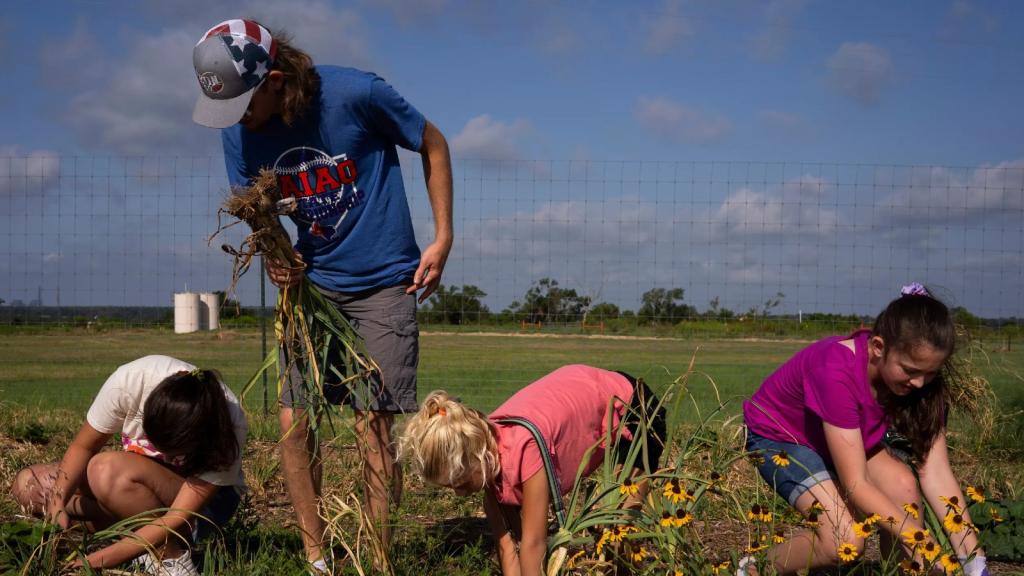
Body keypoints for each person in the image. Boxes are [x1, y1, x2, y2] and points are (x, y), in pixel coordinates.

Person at [191, 18, 453, 573]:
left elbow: (433, 141)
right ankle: (317, 557)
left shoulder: (356, 94)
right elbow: (259, 213)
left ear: (276, 80)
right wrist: (278, 258)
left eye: (243, 104)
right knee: (294, 419)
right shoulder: (237, 132)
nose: (236, 120)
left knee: (372, 424)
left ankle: (376, 558)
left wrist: (443, 237)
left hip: (384, 282)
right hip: (312, 292)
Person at [741, 284, 988, 576]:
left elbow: (936, 474)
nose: (920, 383)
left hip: (840, 437)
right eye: (910, 370)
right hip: (781, 436)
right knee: (843, 541)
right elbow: (856, 485)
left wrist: (976, 564)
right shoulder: (835, 372)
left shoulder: (924, 386)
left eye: (931, 372)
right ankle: (753, 568)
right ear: (878, 347)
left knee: (905, 488)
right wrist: (920, 539)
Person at [397, 364, 666, 576]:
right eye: (450, 486)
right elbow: (508, 547)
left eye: (462, 483)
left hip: (632, 406)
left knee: (617, 528)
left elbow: (533, 544)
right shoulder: (486, 456)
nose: (458, 493)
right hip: (578, 387)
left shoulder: (526, 448)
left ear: (478, 453)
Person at [10, 355, 247, 576]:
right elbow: (83, 447)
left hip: (203, 508)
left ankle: (170, 558)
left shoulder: (227, 426)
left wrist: (101, 559)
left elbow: (176, 517)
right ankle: (131, 536)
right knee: (30, 485)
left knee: (105, 471)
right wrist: (58, 502)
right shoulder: (130, 383)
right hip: (137, 488)